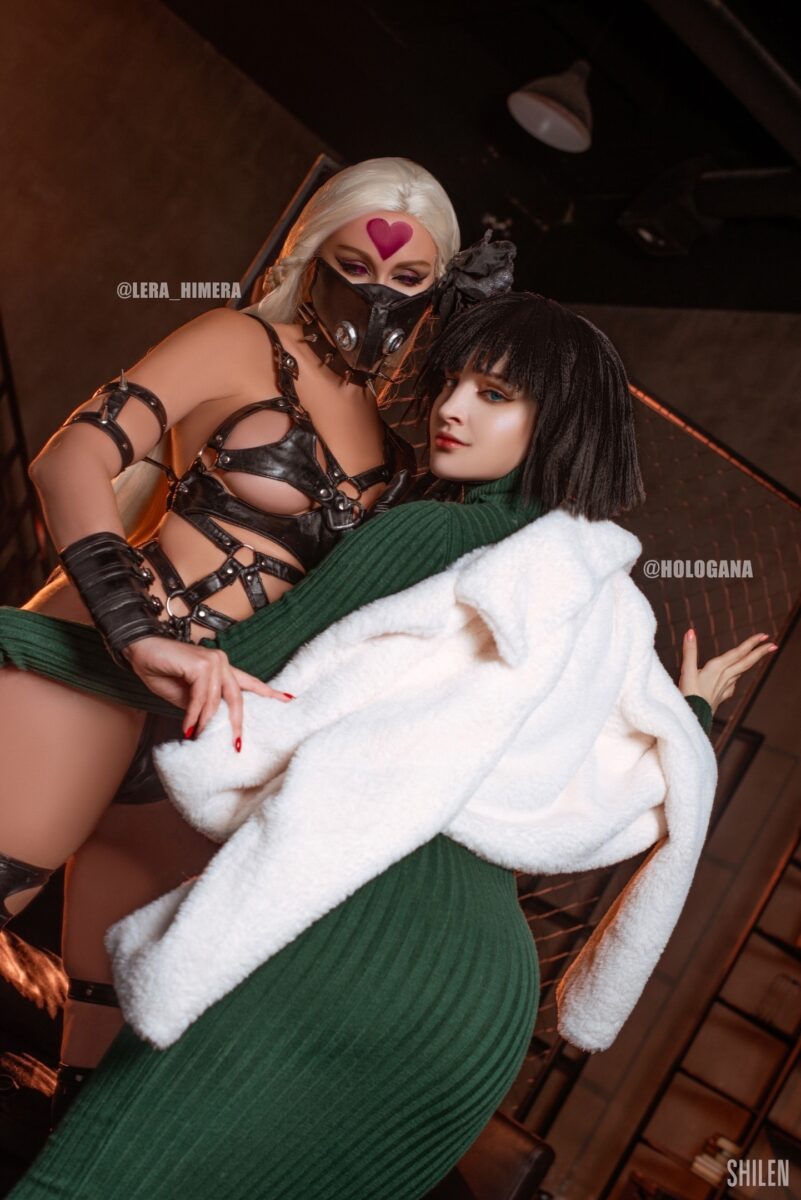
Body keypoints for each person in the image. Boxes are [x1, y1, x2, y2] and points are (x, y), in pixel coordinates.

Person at [3, 292, 775, 1200]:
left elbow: (237, 681)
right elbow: (617, 792)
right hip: (484, 1008)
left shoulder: (434, 534)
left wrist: (32, 636)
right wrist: (690, 709)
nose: (452, 407)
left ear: (556, 420)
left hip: (359, 932)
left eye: (494, 394)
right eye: (452, 382)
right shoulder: (605, 601)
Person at [0, 155, 518, 1115]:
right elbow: (69, 459)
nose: (378, 292)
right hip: (97, 661)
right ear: (311, 254)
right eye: (355, 265)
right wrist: (136, 632)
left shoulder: (403, 452)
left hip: (205, 733)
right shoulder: (236, 340)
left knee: (112, 1048)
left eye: (409, 277)